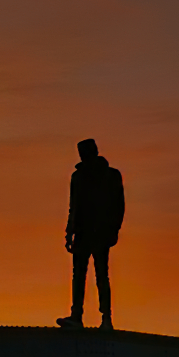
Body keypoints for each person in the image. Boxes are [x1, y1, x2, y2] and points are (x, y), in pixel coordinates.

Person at [56, 138, 125, 330]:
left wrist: (114, 230)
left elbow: (119, 205)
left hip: (101, 232)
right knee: (79, 275)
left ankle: (106, 318)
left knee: (101, 275)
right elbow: (74, 206)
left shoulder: (111, 176)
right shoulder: (77, 177)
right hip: (83, 233)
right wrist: (69, 232)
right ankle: (77, 315)